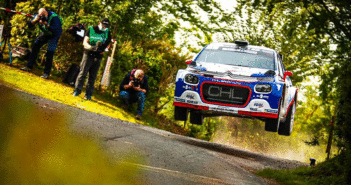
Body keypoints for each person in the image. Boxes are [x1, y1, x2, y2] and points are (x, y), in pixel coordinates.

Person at [72, 18, 111, 100]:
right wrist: (91, 48)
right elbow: (85, 42)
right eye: (103, 26)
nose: (104, 28)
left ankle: (88, 94)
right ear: (99, 23)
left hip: (98, 56)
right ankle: (77, 90)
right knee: (83, 73)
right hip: (88, 54)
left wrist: (102, 49)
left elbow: (107, 45)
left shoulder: (108, 33)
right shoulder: (91, 29)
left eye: (106, 26)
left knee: (92, 76)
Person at [20, 7, 62, 79]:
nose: (42, 17)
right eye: (40, 15)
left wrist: (47, 24)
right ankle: (29, 66)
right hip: (45, 33)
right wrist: (35, 20)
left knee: (50, 52)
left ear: (46, 12)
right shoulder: (38, 16)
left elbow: (56, 31)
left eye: (43, 15)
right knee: (35, 45)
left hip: (54, 35)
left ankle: (46, 73)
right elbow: (29, 25)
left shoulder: (55, 18)